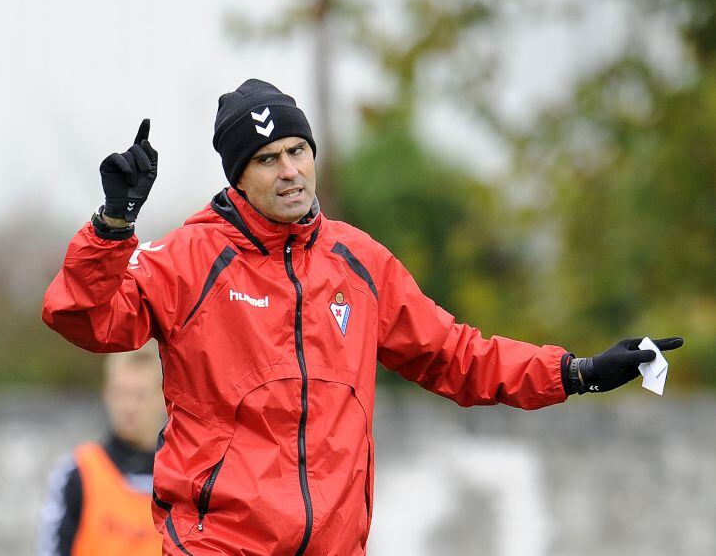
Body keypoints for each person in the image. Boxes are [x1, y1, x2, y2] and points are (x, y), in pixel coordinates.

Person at [41, 78, 683, 555]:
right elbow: (85, 320)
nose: (291, 171)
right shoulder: (188, 258)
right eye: (268, 159)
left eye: (298, 150)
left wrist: (577, 372)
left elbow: (458, 357)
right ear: (239, 178)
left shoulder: (359, 261)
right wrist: (112, 227)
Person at [37, 343, 166, 556]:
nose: (129, 407)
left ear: (164, 397)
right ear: (106, 395)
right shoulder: (79, 472)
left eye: (140, 395)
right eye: (121, 393)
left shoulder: (184, 482)